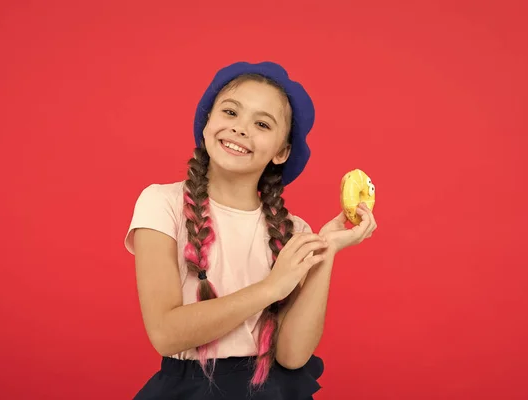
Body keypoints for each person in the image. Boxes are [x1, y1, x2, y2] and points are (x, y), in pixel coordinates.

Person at [124, 61, 377, 399]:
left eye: (261, 123)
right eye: (230, 112)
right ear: (207, 122)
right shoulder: (161, 203)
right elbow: (165, 333)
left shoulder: (293, 232)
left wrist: (325, 252)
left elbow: (291, 355)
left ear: (281, 152)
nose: (241, 129)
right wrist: (271, 287)